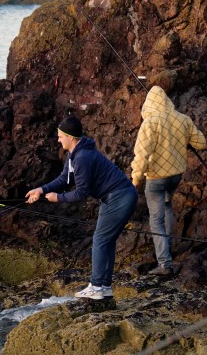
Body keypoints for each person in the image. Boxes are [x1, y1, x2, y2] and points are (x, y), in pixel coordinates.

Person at [26, 116, 137, 300]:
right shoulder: (75, 153)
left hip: (119, 197)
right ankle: (104, 287)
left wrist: (57, 198)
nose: (58, 139)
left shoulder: (83, 157)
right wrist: (41, 189)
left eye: (60, 136)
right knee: (106, 240)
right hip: (117, 196)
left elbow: (81, 193)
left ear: (70, 137)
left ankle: (96, 286)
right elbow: (64, 179)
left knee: (100, 239)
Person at [131, 85, 207, 275]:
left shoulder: (149, 123)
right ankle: (168, 245)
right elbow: (201, 143)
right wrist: (183, 137)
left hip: (156, 179)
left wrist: (135, 180)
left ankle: (164, 263)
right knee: (167, 206)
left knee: (155, 220)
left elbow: (141, 155)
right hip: (175, 177)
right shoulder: (183, 119)